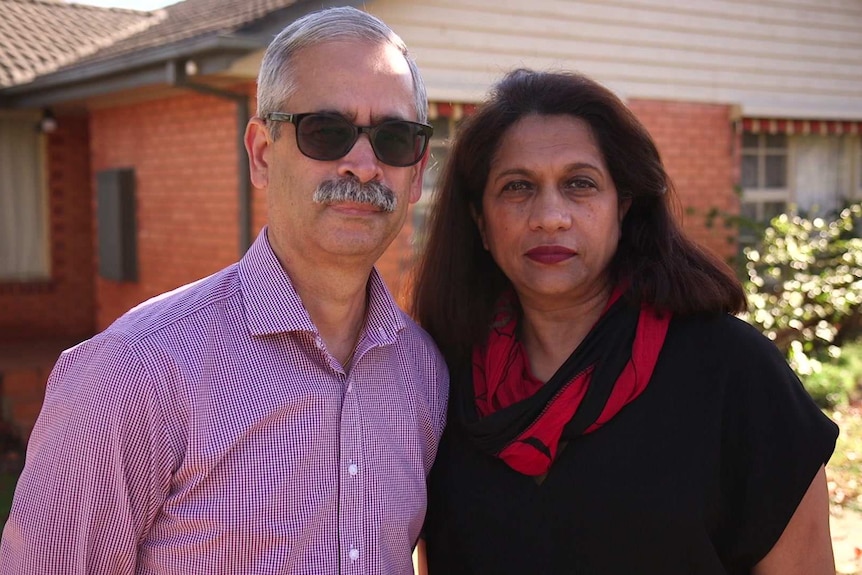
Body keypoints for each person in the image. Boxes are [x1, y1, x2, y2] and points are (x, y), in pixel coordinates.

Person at [1, 6, 448, 574]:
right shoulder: (136, 370)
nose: (363, 164)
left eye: (394, 137)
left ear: (418, 170)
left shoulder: (423, 378)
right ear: (262, 153)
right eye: (327, 131)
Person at [412, 68, 837, 574]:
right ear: (481, 222)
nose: (551, 216)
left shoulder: (733, 373)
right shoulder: (438, 385)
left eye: (580, 184)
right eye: (517, 186)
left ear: (624, 208)